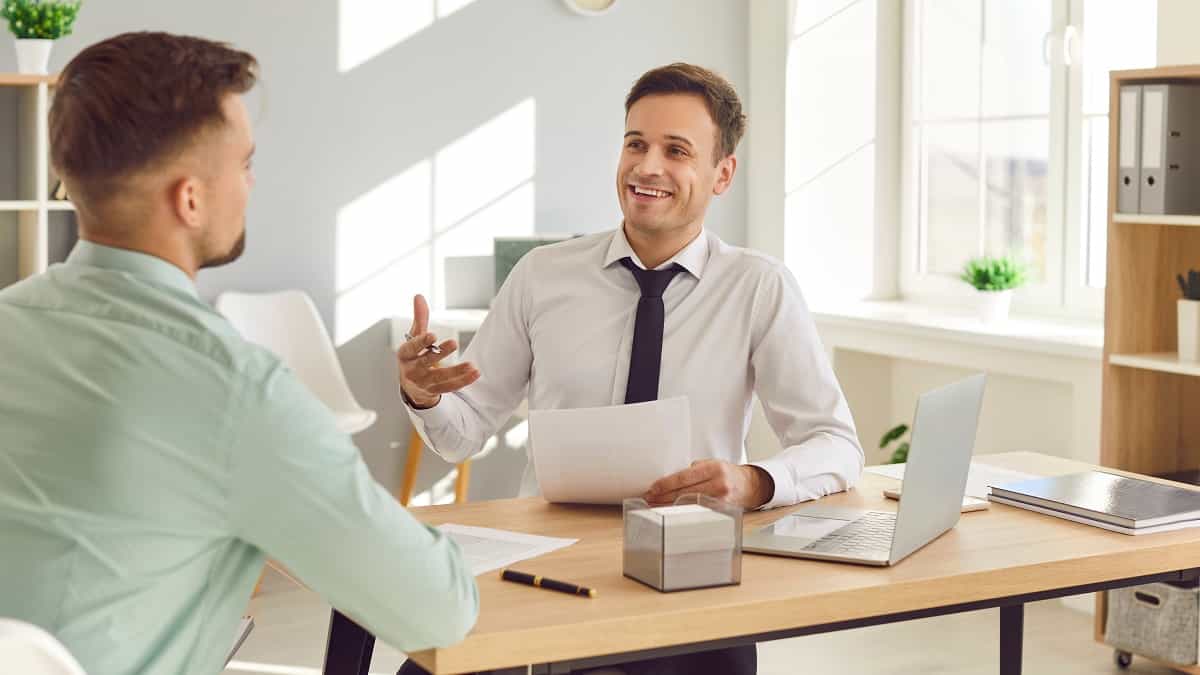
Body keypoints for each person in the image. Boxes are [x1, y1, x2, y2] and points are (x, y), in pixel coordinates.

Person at [0, 32, 477, 675]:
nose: (253, 183)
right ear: (190, 198)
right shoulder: (232, 389)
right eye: (245, 162)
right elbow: (438, 610)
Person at [397, 63, 864, 675]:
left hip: (692, 574)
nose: (648, 167)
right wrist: (424, 396)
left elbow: (835, 444)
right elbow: (464, 430)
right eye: (636, 144)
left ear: (722, 174)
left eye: (677, 151)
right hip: (547, 568)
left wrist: (752, 482)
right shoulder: (543, 275)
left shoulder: (759, 287)